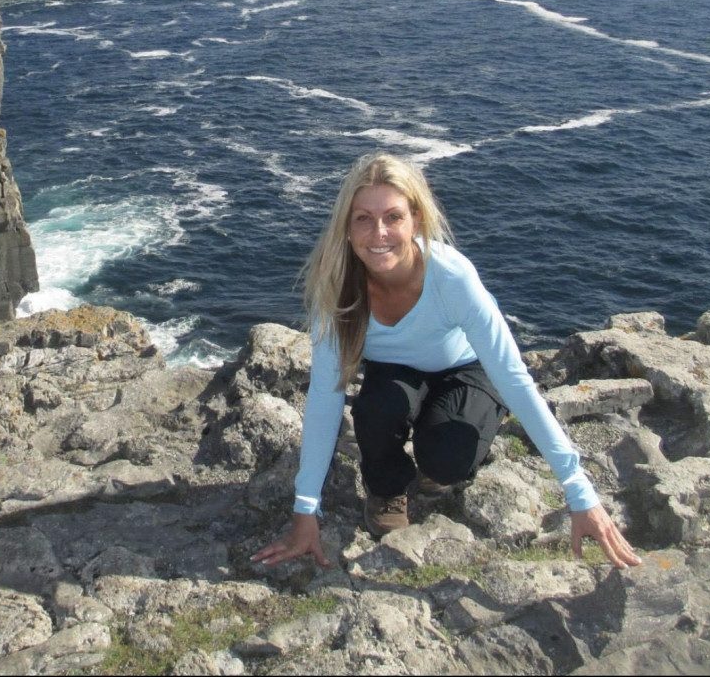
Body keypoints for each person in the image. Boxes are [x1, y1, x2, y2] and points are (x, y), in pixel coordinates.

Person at [251, 152, 640, 571]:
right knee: (376, 411)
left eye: (393, 217)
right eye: (363, 218)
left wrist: (580, 493)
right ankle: (387, 488)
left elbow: (514, 378)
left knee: (447, 459)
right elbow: (326, 396)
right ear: (346, 226)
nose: (379, 233)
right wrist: (305, 511)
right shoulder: (337, 285)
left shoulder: (451, 277)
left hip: (465, 368)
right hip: (395, 372)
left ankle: (455, 435)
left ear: (416, 220)